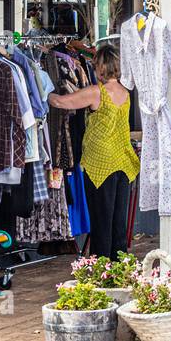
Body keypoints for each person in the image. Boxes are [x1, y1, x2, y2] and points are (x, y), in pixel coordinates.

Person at [48, 45, 139, 256]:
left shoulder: (96, 92)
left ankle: (101, 272)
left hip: (101, 164)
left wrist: (42, 91)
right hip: (124, 162)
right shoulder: (125, 92)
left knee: (101, 222)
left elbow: (62, 102)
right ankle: (120, 271)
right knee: (118, 223)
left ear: (101, 67)